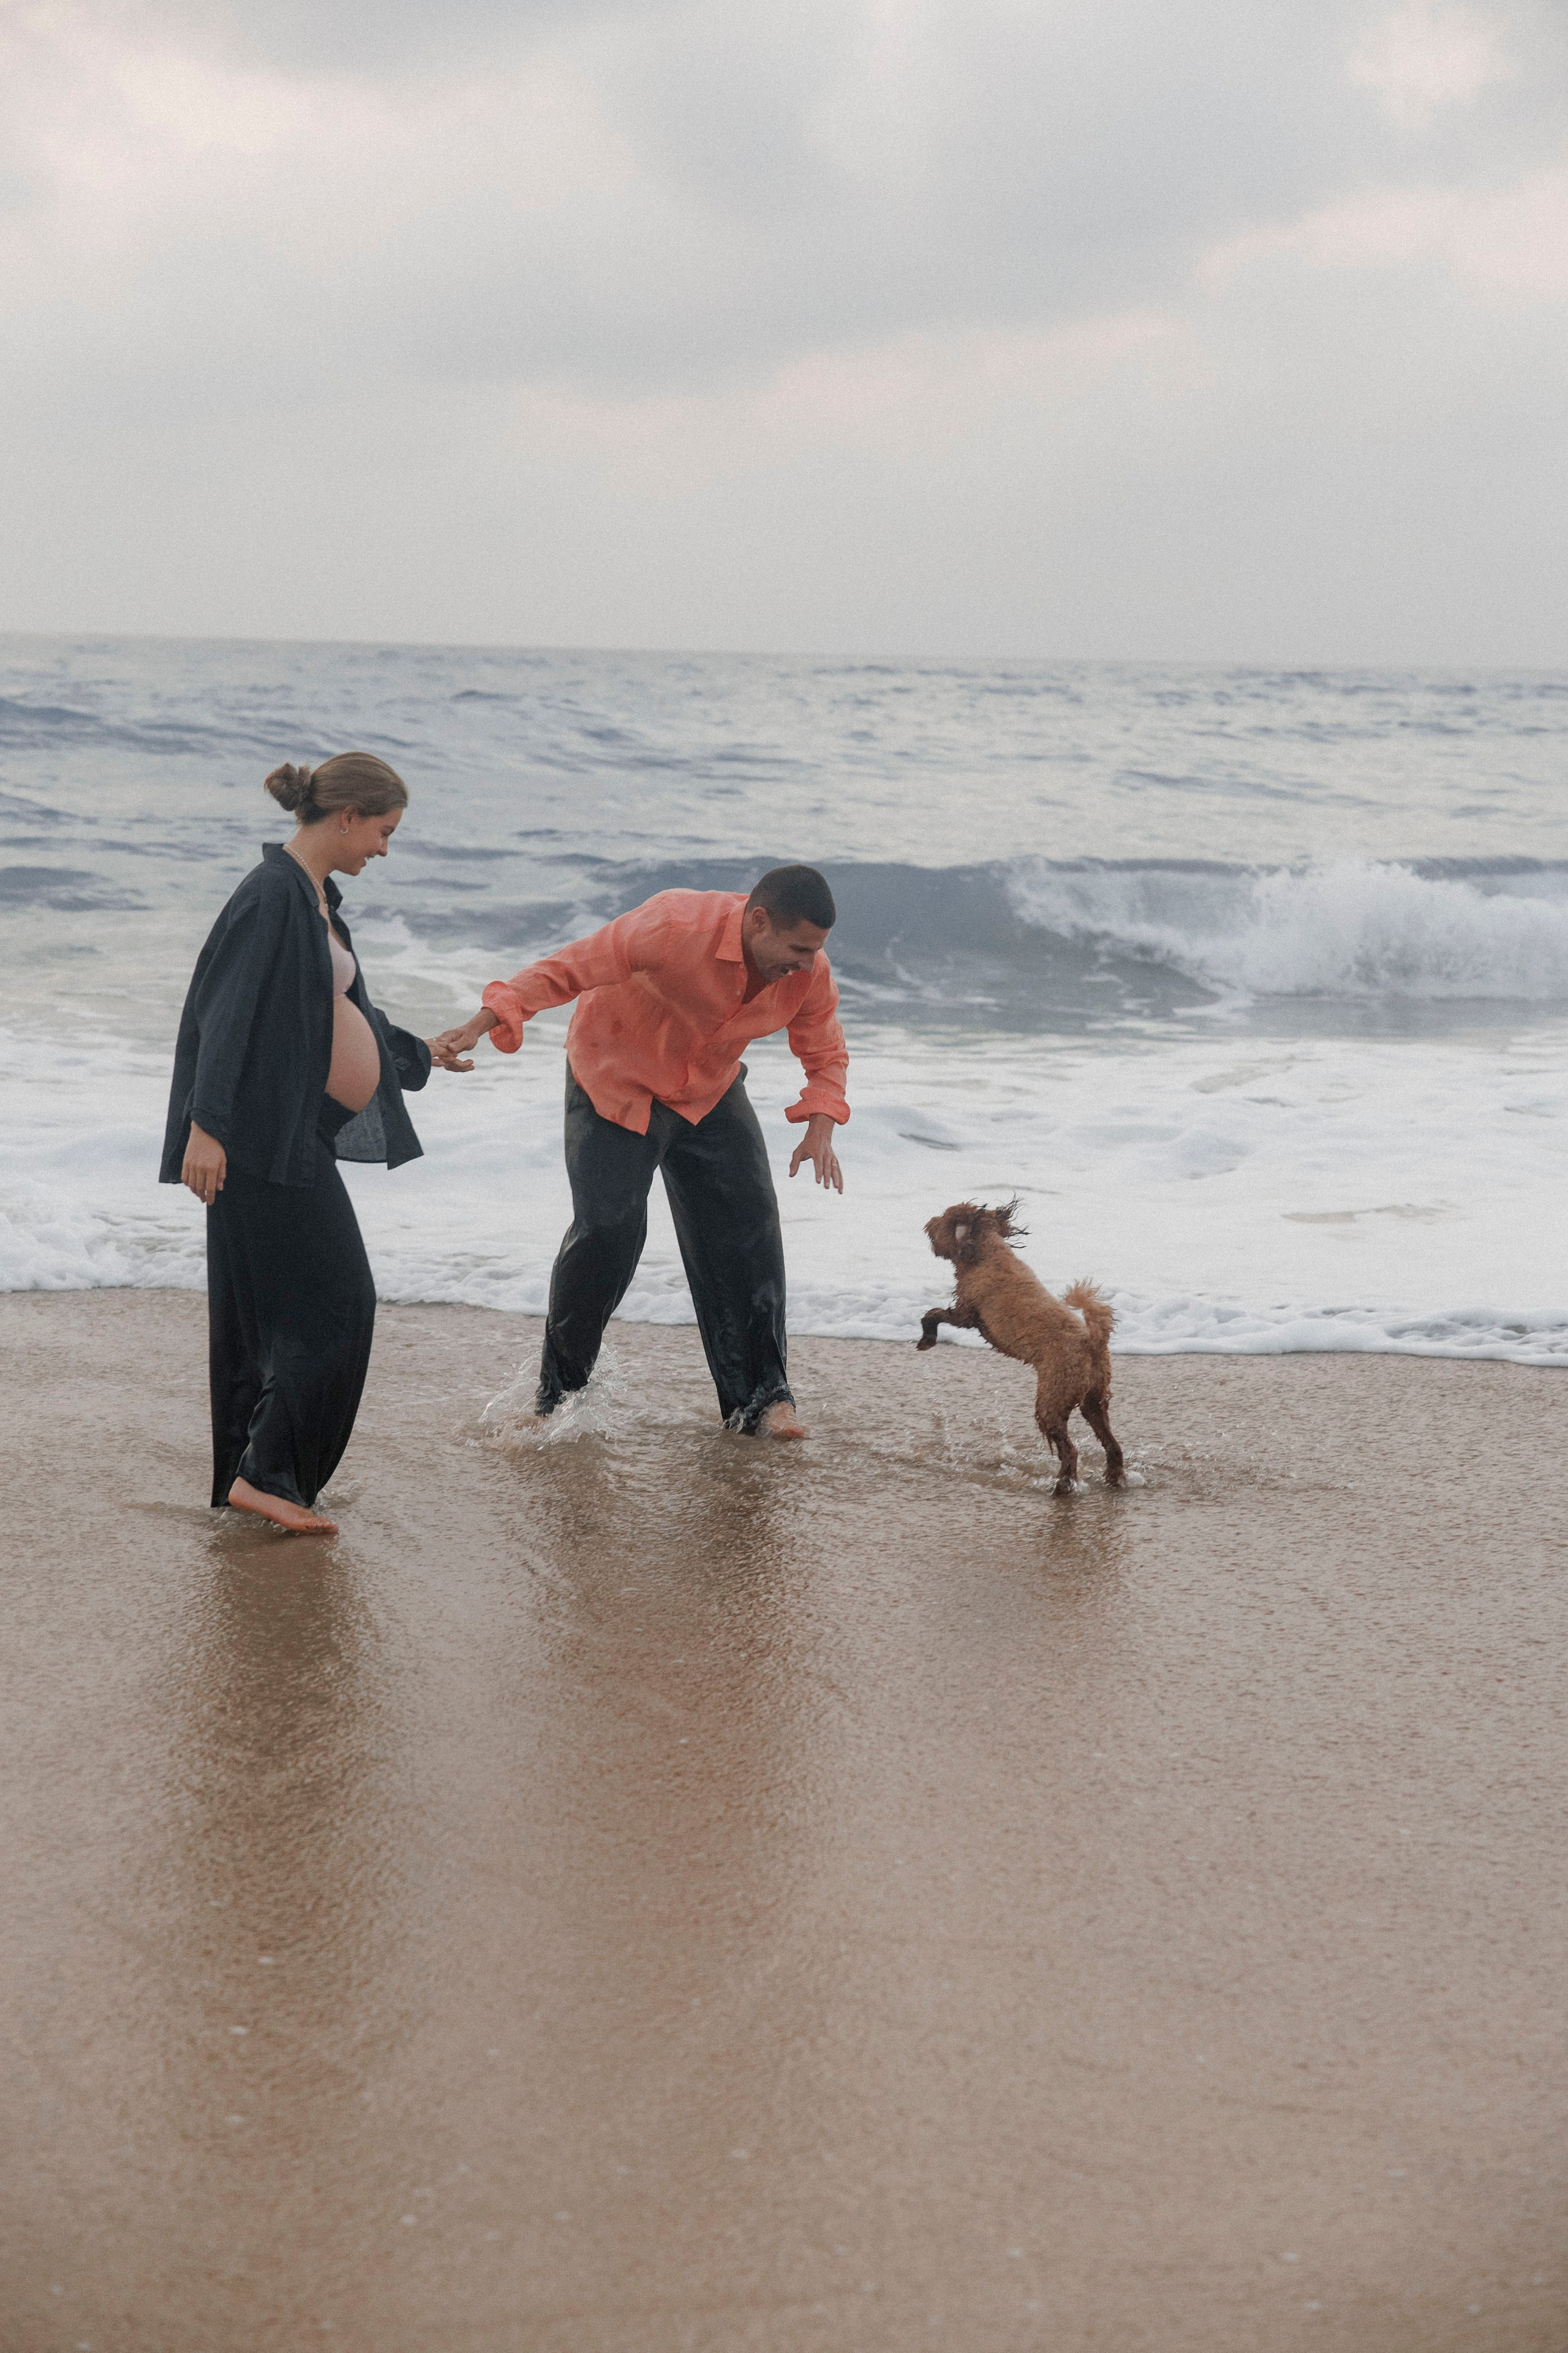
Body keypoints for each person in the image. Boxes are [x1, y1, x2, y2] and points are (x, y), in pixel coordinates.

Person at [431, 866, 848, 1438]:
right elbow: (568, 969)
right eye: (799, 948)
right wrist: (484, 1021)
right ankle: (557, 1399)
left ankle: (762, 1401)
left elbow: (825, 1051)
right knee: (608, 1231)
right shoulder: (674, 924)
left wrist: (820, 1124)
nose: (805, 964)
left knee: (750, 1227)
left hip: (706, 1088)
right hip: (615, 1079)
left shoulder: (808, 973)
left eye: (815, 952)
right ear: (758, 922)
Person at [160, 753, 464, 1536]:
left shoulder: (315, 898)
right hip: (257, 1141)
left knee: (263, 1318)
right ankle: (268, 1475)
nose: (385, 850)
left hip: (287, 1135)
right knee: (340, 1303)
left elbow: (336, 1012)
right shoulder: (271, 896)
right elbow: (222, 1016)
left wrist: (422, 1055)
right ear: (348, 816)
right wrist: (206, 1126)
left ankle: (252, 1476)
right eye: (384, 832)